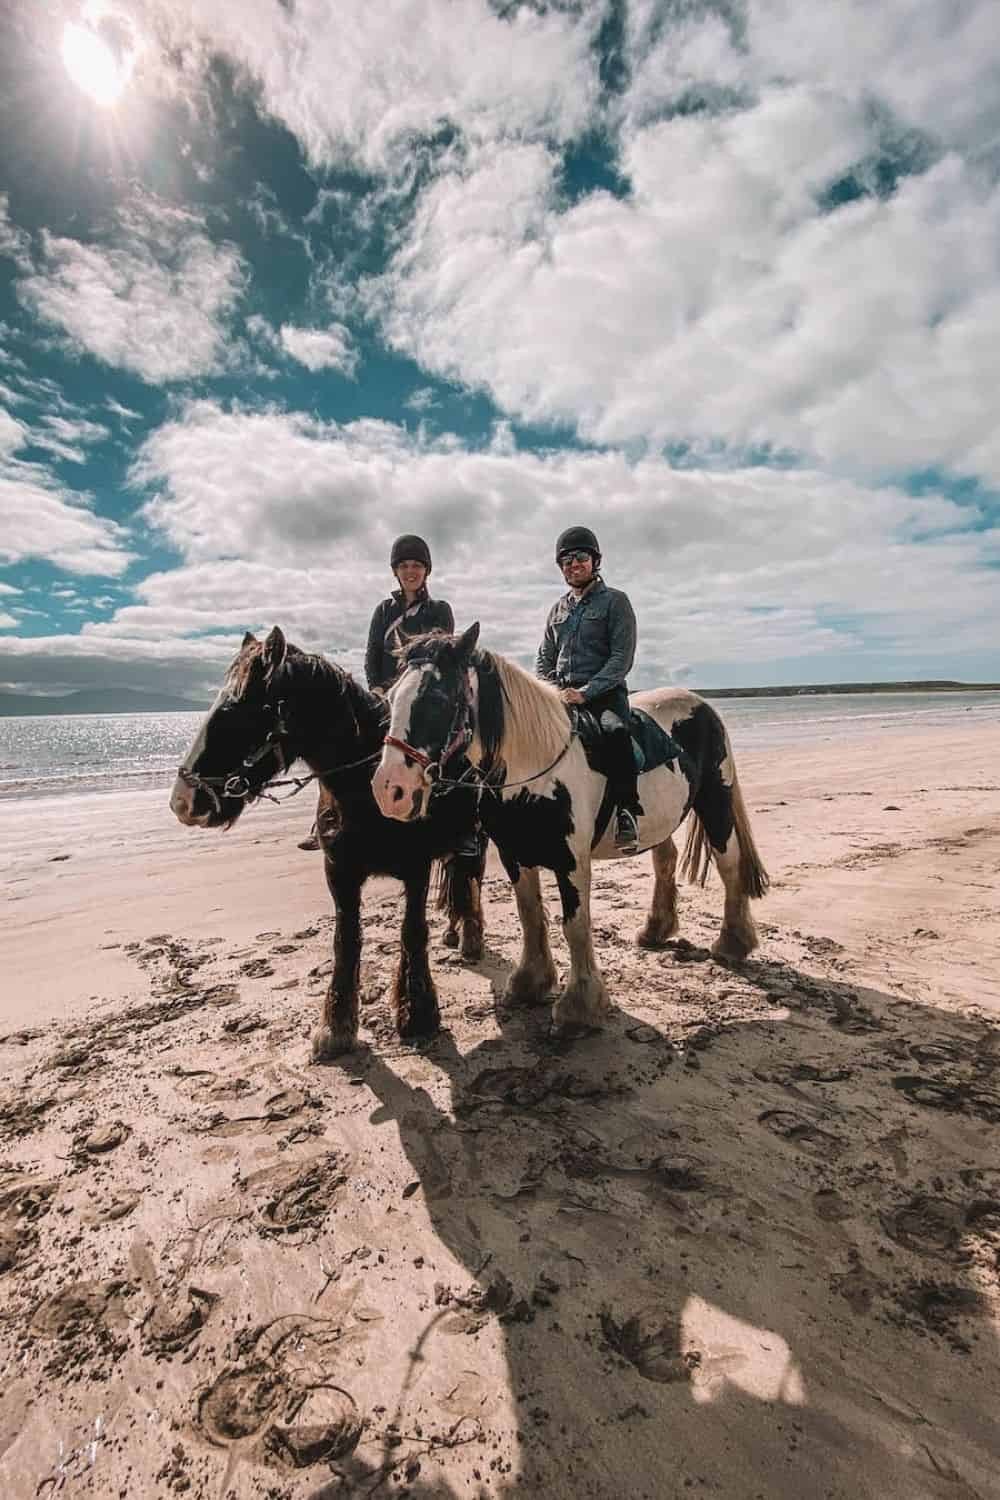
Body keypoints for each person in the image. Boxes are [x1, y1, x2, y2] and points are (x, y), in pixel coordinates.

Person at [298, 534, 454, 849]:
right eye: (404, 565)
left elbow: (440, 654)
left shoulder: (439, 610)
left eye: (417, 565)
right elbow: (372, 656)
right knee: (338, 745)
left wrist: (408, 690)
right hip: (385, 697)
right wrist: (378, 688)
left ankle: (458, 824)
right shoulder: (383, 611)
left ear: (427, 570)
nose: (411, 572)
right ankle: (328, 819)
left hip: (420, 697)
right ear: (395, 571)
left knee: (447, 749)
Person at [536, 525, 641, 850]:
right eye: (565, 560)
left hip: (604, 695)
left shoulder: (615, 602)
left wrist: (586, 691)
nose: (573, 564)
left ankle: (627, 813)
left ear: (595, 561)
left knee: (616, 732)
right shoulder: (557, 609)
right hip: (561, 697)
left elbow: (621, 658)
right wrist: (551, 692)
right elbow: (544, 658)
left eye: (580, 557)